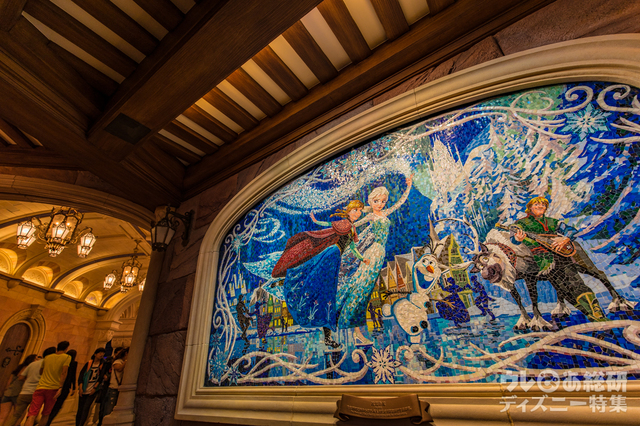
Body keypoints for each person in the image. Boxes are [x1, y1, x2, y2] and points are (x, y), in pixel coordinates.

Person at [271, 200, 367, 348]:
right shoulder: (344, 224)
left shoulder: (352, 229)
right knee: (318, 283)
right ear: (349, 211)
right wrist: (315, 221)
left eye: (360, 211)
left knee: (324, 292)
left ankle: (327, 336)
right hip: (331, 255)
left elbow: (353, 248)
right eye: (356, 210)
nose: (358, 213)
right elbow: (328, 226)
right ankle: (286, 281)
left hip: (334, 259)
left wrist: (362, 259)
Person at [335, 175, 413, 345]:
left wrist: (408, 186)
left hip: (380, 253)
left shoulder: (384, 213)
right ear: (371, 201)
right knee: (361, 288)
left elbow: (399, 203)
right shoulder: (371, 216)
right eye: (377, 201)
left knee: (366, 288)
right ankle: (353, 327)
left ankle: (355, 329)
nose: (380, 204)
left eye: (383, 201)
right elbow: (352, 225)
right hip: (374, 252)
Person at [512, 196, 611, 321]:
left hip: (560, 255)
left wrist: (565, 238)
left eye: (543, 205)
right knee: (562, 287)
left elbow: (570, 230)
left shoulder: (552, 222)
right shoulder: (520, 224)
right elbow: (513, 240)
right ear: (530, 208)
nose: (540, 207)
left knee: (575, 281)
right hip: (539, 259)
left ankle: (597, 312)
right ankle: (589, 314)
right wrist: (517, 239)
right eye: (536, 205)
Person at [4, 347, 56, 426]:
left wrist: (29, 381)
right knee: (32, 416)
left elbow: (21, 377)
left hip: (24, 392)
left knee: (15, 415)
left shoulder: (32, 364)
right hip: (37, 393)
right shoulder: (49, 365)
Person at [24, 341, 71, 426]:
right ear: (66, 348)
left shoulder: (47, 357)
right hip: (53, 388)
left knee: (32, 414)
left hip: (41, 387)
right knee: (46, 414)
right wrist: (60, 386)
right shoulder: (67, 357)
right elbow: (64, 372)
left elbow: (41, 372)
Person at [0, 354, 37, 425]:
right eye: (36, 359)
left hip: (8, 392)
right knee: (19, 415)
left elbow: (9, 382)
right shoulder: (29, 368)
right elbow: (21, 377)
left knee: (2, 416)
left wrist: (6, 390)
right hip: (19, 393)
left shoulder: (19, 368)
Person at [44, 349, 77, 426]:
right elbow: (73, 376)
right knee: (58, 405)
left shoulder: (62, 361)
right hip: (65, 386)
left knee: (51, 404)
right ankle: (48, 422)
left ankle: (45, 421)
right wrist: (74, 387)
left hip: (56, 384)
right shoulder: (73, 363)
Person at [97, 348, 128, 426]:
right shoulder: (118, 362)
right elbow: (119, 368)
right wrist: (126, 362)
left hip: (119, 389)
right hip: (113, 388)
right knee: (109, 410)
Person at [76, 348, 106, 426]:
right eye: (100, 353)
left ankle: (81, 424)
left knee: (86, 408)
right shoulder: (89, 363)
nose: (101, 354)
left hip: (93, 389)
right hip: (84, 387)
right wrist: (80, 387)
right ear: (95, 354)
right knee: (80, 409)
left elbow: (101, 377)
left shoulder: (102, 365)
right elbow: (81, 375)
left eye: (103, 353)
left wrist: (95, 388)